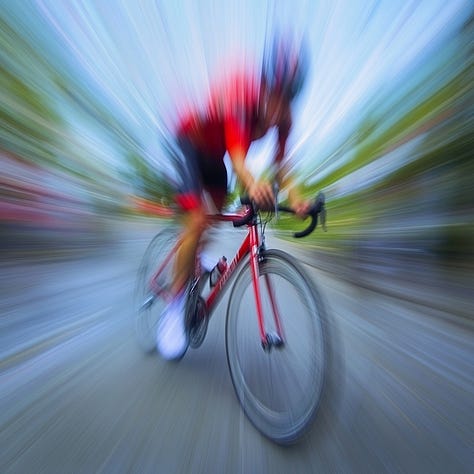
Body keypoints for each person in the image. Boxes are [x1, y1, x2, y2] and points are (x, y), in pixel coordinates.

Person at [157, 37, 311, 360]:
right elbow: (239, 159)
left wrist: (298, 199)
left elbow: (282, 168)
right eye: (275, 95)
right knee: (197, 219)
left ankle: (196, 257)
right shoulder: (243, 87)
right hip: (191, 140)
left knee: (214, 217)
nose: (278, 108)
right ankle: (172, 309)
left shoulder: (285, 119)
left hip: (216, 155)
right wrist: (253, 185)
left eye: (288, 100)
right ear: (264, 83)